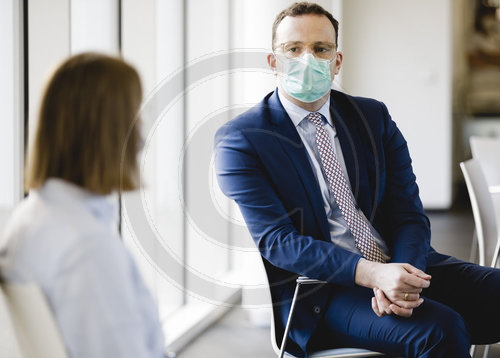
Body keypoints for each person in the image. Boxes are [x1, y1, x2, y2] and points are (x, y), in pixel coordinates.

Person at [214, 2, 500, 357]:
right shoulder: (242, 140)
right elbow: (278, 242)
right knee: (440, 329)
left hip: (403, 263)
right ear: (274, 62)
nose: (308, 59)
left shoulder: (372, 117)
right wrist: (373, 276)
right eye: (293, 49)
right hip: (325, 290)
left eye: (321, 49)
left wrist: (403, 276)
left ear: (337, 62)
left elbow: (408, 213)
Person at [0, 53, 166, 358]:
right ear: (111, 128)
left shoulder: (33, 216)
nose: (142, 127)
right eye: (136, 112)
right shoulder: (86, 246)